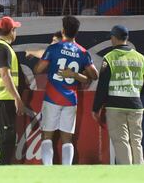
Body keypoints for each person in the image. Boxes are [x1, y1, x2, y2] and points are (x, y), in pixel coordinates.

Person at [33, 15, 99, 165]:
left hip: (52, 98)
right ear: (76, 33)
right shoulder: (82, 52)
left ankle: (48, 172)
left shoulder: (54, 48)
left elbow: (38, 70)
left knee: (47, 136)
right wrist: (76, 74)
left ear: (63, 31)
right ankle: (66, 173)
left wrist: (48, 62)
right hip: (71, 100)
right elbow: (94, 75)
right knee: (67, 138)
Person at [92, 24, 144, 165]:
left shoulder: (110, 58)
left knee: (121, 141)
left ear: (114, 38)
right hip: (136, 105)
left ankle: (126, 177)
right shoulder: (140, 58)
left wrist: (96, 108)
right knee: (136, 141)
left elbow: (102, 86)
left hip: (116, 106)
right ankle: (139, 175)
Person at [0, 16, 25, 165]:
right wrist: (17, 98)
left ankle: (1, 172)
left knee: (3, 139)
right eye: (15, 29)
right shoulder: (3, 48)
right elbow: (4, 74)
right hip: (2, 99)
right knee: (6, 140)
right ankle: (0, 173)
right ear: (11, 31)